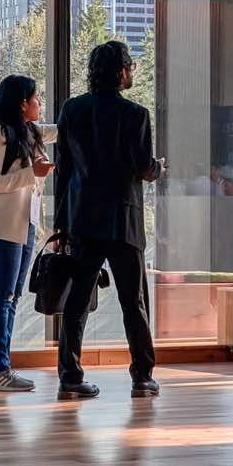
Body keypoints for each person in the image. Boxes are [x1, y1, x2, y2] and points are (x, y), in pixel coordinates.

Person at [52, 41, 162, 401]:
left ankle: (70, 377)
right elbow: (144, 167)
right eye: (130, 66)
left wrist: (61, 224)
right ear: (121, 72)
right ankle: (142, 377)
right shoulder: (136, 114)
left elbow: (63, 172)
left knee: (77, 301)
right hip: (123, 221)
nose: (131, 72)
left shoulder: (72, 110)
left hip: (82, 219)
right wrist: (159, 168)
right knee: (134, 302)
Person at [0, 74, 56, 393]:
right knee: (1, 298)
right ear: (23, 103)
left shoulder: (30, 133)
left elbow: (62, 129)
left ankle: (1, 368)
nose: (40, 103)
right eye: (36, 98)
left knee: (11, 298)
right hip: (2, 229)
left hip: (25, 228)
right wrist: (30, 174)